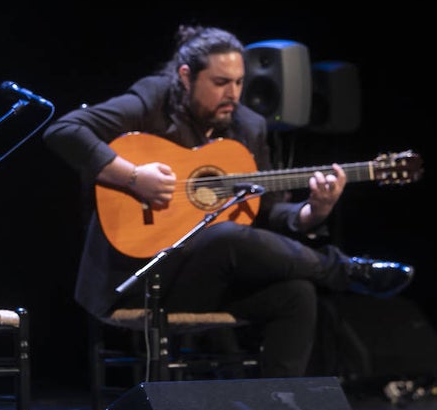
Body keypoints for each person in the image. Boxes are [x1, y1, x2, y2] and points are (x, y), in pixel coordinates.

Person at [42, 24, 415, 378]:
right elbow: (64, 130)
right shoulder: (152, 100)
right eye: (221, 82)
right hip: (135, 278)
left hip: (205, 280)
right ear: (186, 76)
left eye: (239, 82)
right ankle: (344, 270)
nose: (233, 94)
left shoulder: (248, 126)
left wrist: (312, 211)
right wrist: (134, 177)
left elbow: (267, 210)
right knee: (226, 235)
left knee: (297, 294)